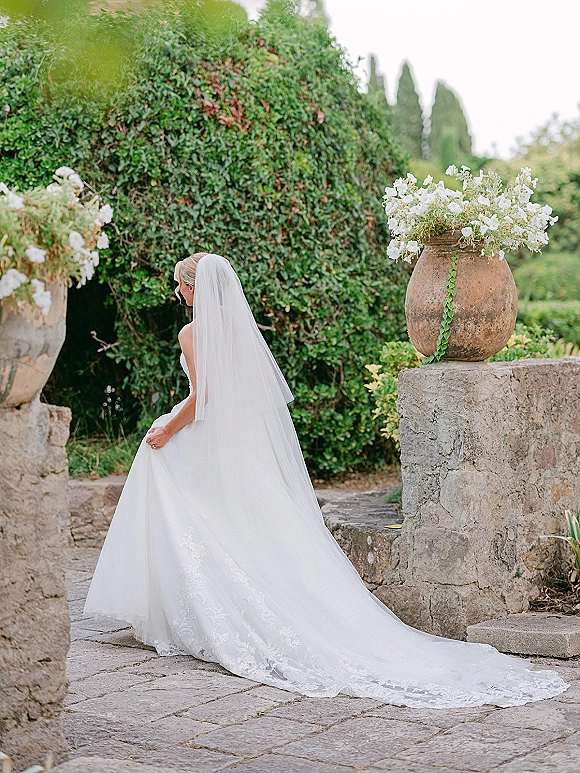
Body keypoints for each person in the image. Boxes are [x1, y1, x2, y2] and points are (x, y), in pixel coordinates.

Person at [85, 252, 567, 708]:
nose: (178, 293)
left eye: (179, 285)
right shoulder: (238, 328)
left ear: (193, 288)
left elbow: (206, 394)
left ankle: (187, 606)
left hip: (204, 431)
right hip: (234, 439)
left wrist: (168, 428)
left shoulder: (193, 333)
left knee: (160, 469)